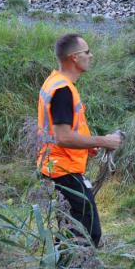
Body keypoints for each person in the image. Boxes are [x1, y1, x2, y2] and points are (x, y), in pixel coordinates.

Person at [37, 34, 122, 248]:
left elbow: (63, 131)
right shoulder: (63, 90)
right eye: (87, 52)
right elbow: (63, 137)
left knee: (72, 230)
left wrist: (88, 144)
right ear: (74, 58)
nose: (91, 56)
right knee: (86, 232)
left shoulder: (55, 82)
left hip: (54, 168)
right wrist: (104, 141)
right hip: (63, 172)